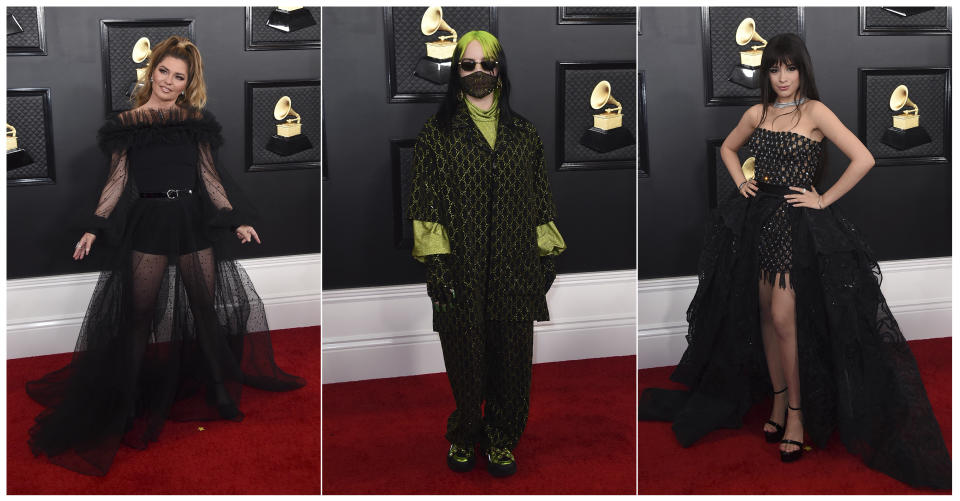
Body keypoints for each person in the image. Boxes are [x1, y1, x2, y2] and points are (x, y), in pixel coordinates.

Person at [638, 33, 950, 489]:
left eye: (790, 68)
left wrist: (823, 199)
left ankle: (799, 416)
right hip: (757, 223)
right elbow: (728, 149)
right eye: (774, 68)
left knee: (785, 318)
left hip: (797, 227)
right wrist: (740, 183)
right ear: (766, 73)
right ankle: (780, 401)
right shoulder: (757, 114)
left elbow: (864, 158)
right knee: (764, 314)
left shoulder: (816, 112)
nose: (782, 77)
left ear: (802, 70)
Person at [25, 35, 306, 476]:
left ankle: (220, 393)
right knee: (139, 317)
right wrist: (93, 227)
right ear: (151, 70)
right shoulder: (127, 123)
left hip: (193, 220)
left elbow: (210, 176)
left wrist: (234, 218)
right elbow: (116, 182)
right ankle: (124, 406)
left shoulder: (195, 122)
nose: (169, 82)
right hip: (149, 221)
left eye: (180, 77)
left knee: (205, 310)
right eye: (164, 72)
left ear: (188, 82)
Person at [407, 30, 566, 477]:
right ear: (456, 72)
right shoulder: (437, 133)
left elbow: (540, 198)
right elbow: (425, 200)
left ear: (500, 70)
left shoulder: (524, 133)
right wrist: (437, 265)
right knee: (466, 362)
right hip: (461, 266)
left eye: (487, 64)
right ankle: (465, 431)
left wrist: (545, 257)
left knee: (513, 364)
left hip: (516, 267)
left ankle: (502, 438)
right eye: (468, 64)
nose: (479, 73)